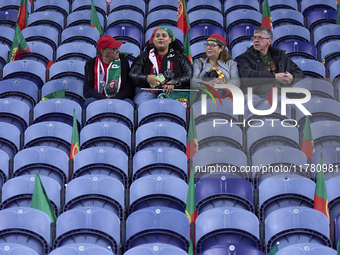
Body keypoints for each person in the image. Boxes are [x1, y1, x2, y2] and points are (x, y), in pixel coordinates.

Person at [130, 26, 193, 108]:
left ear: (170, 40)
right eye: (157, 36)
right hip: (148, 91)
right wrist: (146, 78)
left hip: (173, 92)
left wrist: (174, 82)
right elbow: (133, 74)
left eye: (164, 36)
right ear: (153, 40)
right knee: (144, 106)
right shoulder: (143, 56)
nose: (160, 38)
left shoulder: (180, 57)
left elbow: (189, 75)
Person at [237, 26, 304, 96]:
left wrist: (292, 77)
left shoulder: (280, 55)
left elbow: (299, 72)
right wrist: (275, 77)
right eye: (254, 38)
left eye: (260, 38)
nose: (256, 40)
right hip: (256, 92)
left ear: (269, 41)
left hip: (280, 91)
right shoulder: (244, 58)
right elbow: (247, 77)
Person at [83, 35, 135, 108]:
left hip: (119, 98)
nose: (118, 50)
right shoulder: (90, 64)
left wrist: (115, 98)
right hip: (98, 98)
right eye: (114, 49)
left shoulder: (123, 62)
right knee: (89, 103)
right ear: (103, 52)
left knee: (129, 103)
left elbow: (129, 86)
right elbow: (87, 89)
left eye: (118, 48)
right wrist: (104, 99)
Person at [191, 34, 240, 99]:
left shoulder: (231, 64)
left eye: (213, 45)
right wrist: (208, 84)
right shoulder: (199, 62)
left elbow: (237, 82)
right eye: (207, 45)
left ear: (221, 48)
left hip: (225, 98)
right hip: (203, 98)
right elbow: (193, 81)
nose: (208, 47)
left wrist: (222, 85)